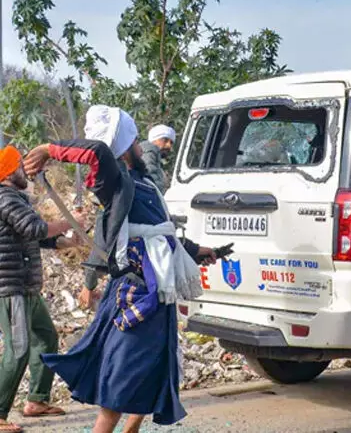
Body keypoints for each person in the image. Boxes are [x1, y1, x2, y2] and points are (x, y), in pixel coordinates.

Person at [23, 105, 218, 433]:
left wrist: (199, 251)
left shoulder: (144, 183)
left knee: (153, 371)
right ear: (126, 146)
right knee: (120, 384)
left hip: (159, 293)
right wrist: (46, 149)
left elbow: (162, 234)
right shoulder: (115, 182)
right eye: (136, 140)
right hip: (135, 292)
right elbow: (98, 150)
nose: (143, 146)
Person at [0, 145, 86, 433]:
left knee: (46, 338)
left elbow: (38, 238)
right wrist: (69, 222)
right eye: (22, 167)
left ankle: (36, 400)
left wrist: (68, 241)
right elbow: (36, 229)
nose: (27, 172)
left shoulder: (16, 199)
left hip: (26, 286)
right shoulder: (3, 198)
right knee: (19, 349)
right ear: (11, 171)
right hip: (10, 287)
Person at [140, 125, 175, 194]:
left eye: (171, 142)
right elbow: (151, 183)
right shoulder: (149, 151)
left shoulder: (155, 158)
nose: (169, 145)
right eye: (165, 140)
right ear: (154, 139)